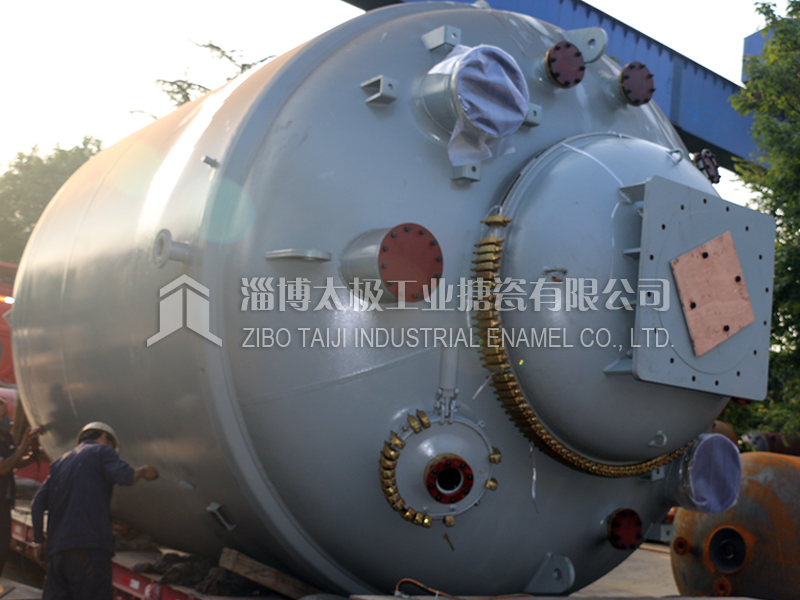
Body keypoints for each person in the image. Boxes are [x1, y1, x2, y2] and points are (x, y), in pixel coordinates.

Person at [31, 422, 159, 600]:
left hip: (58, 551)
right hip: (89, 549)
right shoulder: (102, 451)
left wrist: (39, 541)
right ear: (104, 437)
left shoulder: (60, 462)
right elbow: (125, 476)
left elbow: (37, 504)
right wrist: (143, 471)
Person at [0, 398, 38, 575]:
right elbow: (3, 467)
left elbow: (13, 462)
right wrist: (23, 446)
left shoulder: (6, 437)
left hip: (5, 501)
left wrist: (31, 457)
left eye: (6, 415)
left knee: (3, 545)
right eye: (1, 416)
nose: (5, 420)